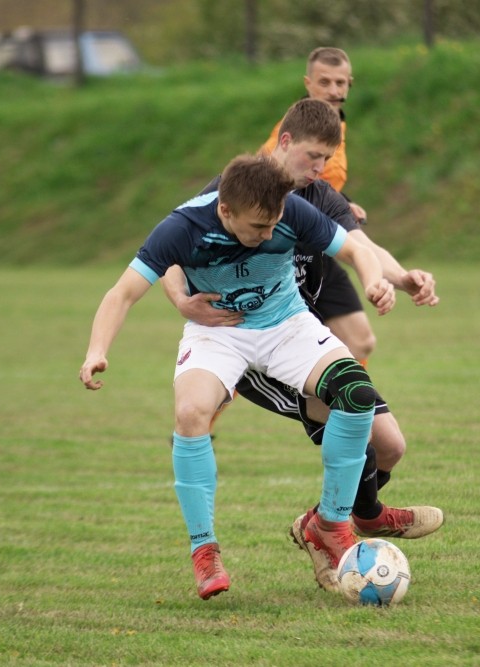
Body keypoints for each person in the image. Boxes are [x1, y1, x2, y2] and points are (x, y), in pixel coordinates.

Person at [79, 154, 396, 599]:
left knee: (357, 394)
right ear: (225, 211)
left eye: (274, 225)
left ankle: (332, 525)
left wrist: (373, 281)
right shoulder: (183, 227)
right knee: (191, 413)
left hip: (287, 325)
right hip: (218, 333)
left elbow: (355, 250)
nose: (268, 234)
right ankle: (204, 550)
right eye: (258, 227)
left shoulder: (290, 208)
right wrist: (97, 350)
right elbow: (122, 293)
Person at [162, 100, 444, 563]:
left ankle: (327, 522)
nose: (319, 168)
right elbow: (171, 249)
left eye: (327, 159)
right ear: (285, 141)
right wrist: (180, 300)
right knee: (354, 428)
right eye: (313, 157)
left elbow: (361, 246)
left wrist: (400, 277)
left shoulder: (319, 197)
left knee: (391, 446)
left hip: (295, 337)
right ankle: (348, 524)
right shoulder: (234, 191)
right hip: (249, 347)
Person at [260, 47, 376, 365]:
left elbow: (320, 183)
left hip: (318, 244)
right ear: (308, 83)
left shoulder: (336, 126)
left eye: (341, 83)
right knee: (261, 351)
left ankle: (341, 398)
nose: (334, 91)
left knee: (359, 340)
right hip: (283, 250)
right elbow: (266, 176)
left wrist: (343, 203)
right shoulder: (294, 132)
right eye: (325, 82)